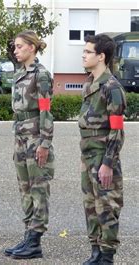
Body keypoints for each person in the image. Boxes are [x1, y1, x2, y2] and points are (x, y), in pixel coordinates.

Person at [4, 30, 55, 259]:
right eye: (15, 47)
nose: (15, 51)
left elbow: (45, 110)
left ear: (32, 48)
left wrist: (44, 142)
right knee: (24, 188)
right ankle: (28, 234)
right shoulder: (19, 73)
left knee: (38, 188)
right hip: (21, 136)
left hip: (35, 137)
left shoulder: (41, 75)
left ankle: (35, 240)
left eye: (19, 47)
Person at [79, 34, 126, 265]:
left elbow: (117, 131)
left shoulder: (112, 87)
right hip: (88, 156)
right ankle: (95, 251)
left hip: (103, 156)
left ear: (101, 56)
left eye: (88, 52)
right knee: (91, 206)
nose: (83, 55)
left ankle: (106, 256)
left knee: (106, 207)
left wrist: (108, 163)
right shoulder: (89, 84)